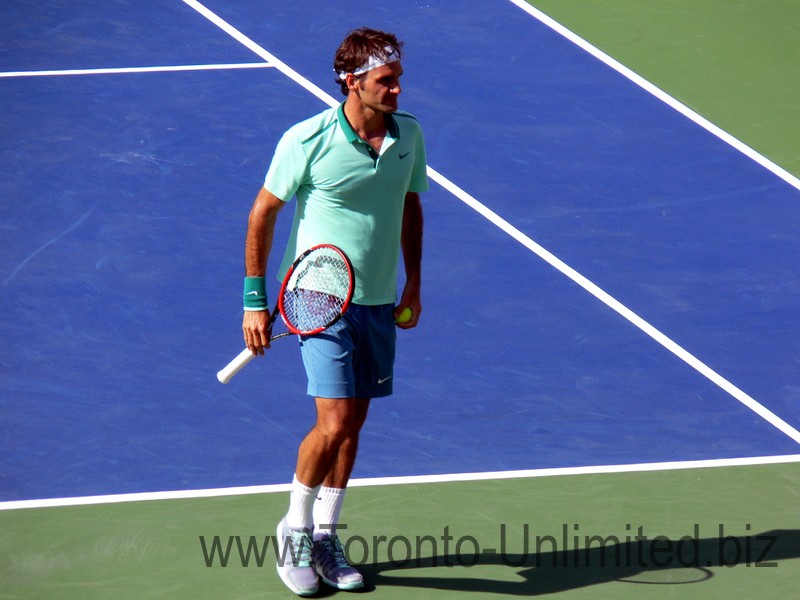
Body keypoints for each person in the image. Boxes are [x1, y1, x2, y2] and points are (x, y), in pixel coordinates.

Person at [240, 27, 428, 596]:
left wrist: (413, 281)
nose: (397, 90)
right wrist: (254, 301)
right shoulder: (308, 139)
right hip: (319, 298)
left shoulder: (408, 136)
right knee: (335, 421)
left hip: (375, 299)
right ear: (352, 82)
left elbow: (410, 206)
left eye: (398, 79)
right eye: (385, 81)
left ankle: (325, 534)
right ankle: (294, 530)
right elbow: (262, 215)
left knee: (354, 426)